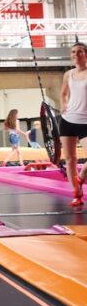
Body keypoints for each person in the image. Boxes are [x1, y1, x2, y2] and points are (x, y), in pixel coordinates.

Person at [59, 42, 87, 207]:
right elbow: (63, 93)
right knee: (70, 160)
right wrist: (63, 104)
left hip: (85, 122)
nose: (76, 54)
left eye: (80, 51)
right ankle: (77, 194)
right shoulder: (68, 74)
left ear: (86, 54)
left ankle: (81, 177)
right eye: (73, 52)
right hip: (68, 120)